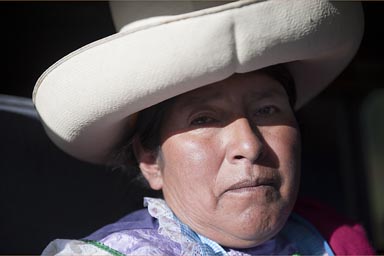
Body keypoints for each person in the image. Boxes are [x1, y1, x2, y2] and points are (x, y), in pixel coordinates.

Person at [34, 0, 375, 255]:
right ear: (151, 160)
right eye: (204, 119)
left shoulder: (333, 237)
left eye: (267, 110)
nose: (249, 145)